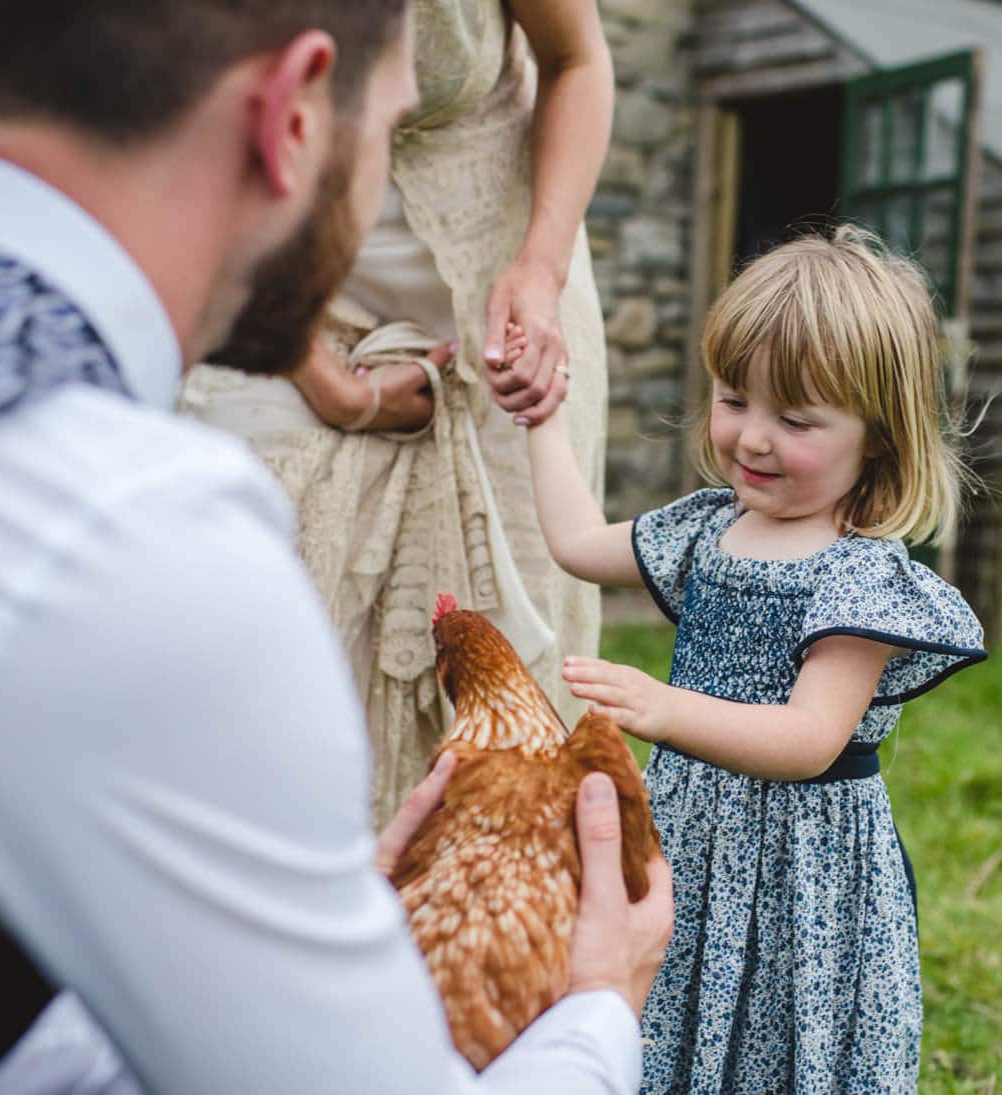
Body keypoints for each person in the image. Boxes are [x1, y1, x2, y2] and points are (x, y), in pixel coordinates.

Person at [0, 2, 670, 1093]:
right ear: (292, 115)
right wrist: (597, 1012)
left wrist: (260, 955)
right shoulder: (144, 540)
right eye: (383, 130)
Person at [507, 227, 988, 1093]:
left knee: (777, 1041)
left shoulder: (861, 576)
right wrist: (542, 418)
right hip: (690, 833)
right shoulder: (704, 526)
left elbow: (809, 737)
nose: (753, 439)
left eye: (795, 419)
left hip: (803, 869)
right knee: (675, 1017)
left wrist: (665, 710)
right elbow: (578, 540)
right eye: (735, 400)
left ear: (877, 437)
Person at [178, 0, 614, 832]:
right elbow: (186, 133)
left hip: (503, 250)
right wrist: (317, 369)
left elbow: (578, 61)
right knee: (262, 578)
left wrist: (540, 267)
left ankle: (489, 897)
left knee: (508, 606)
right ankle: (291, 874)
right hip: (278, 258)